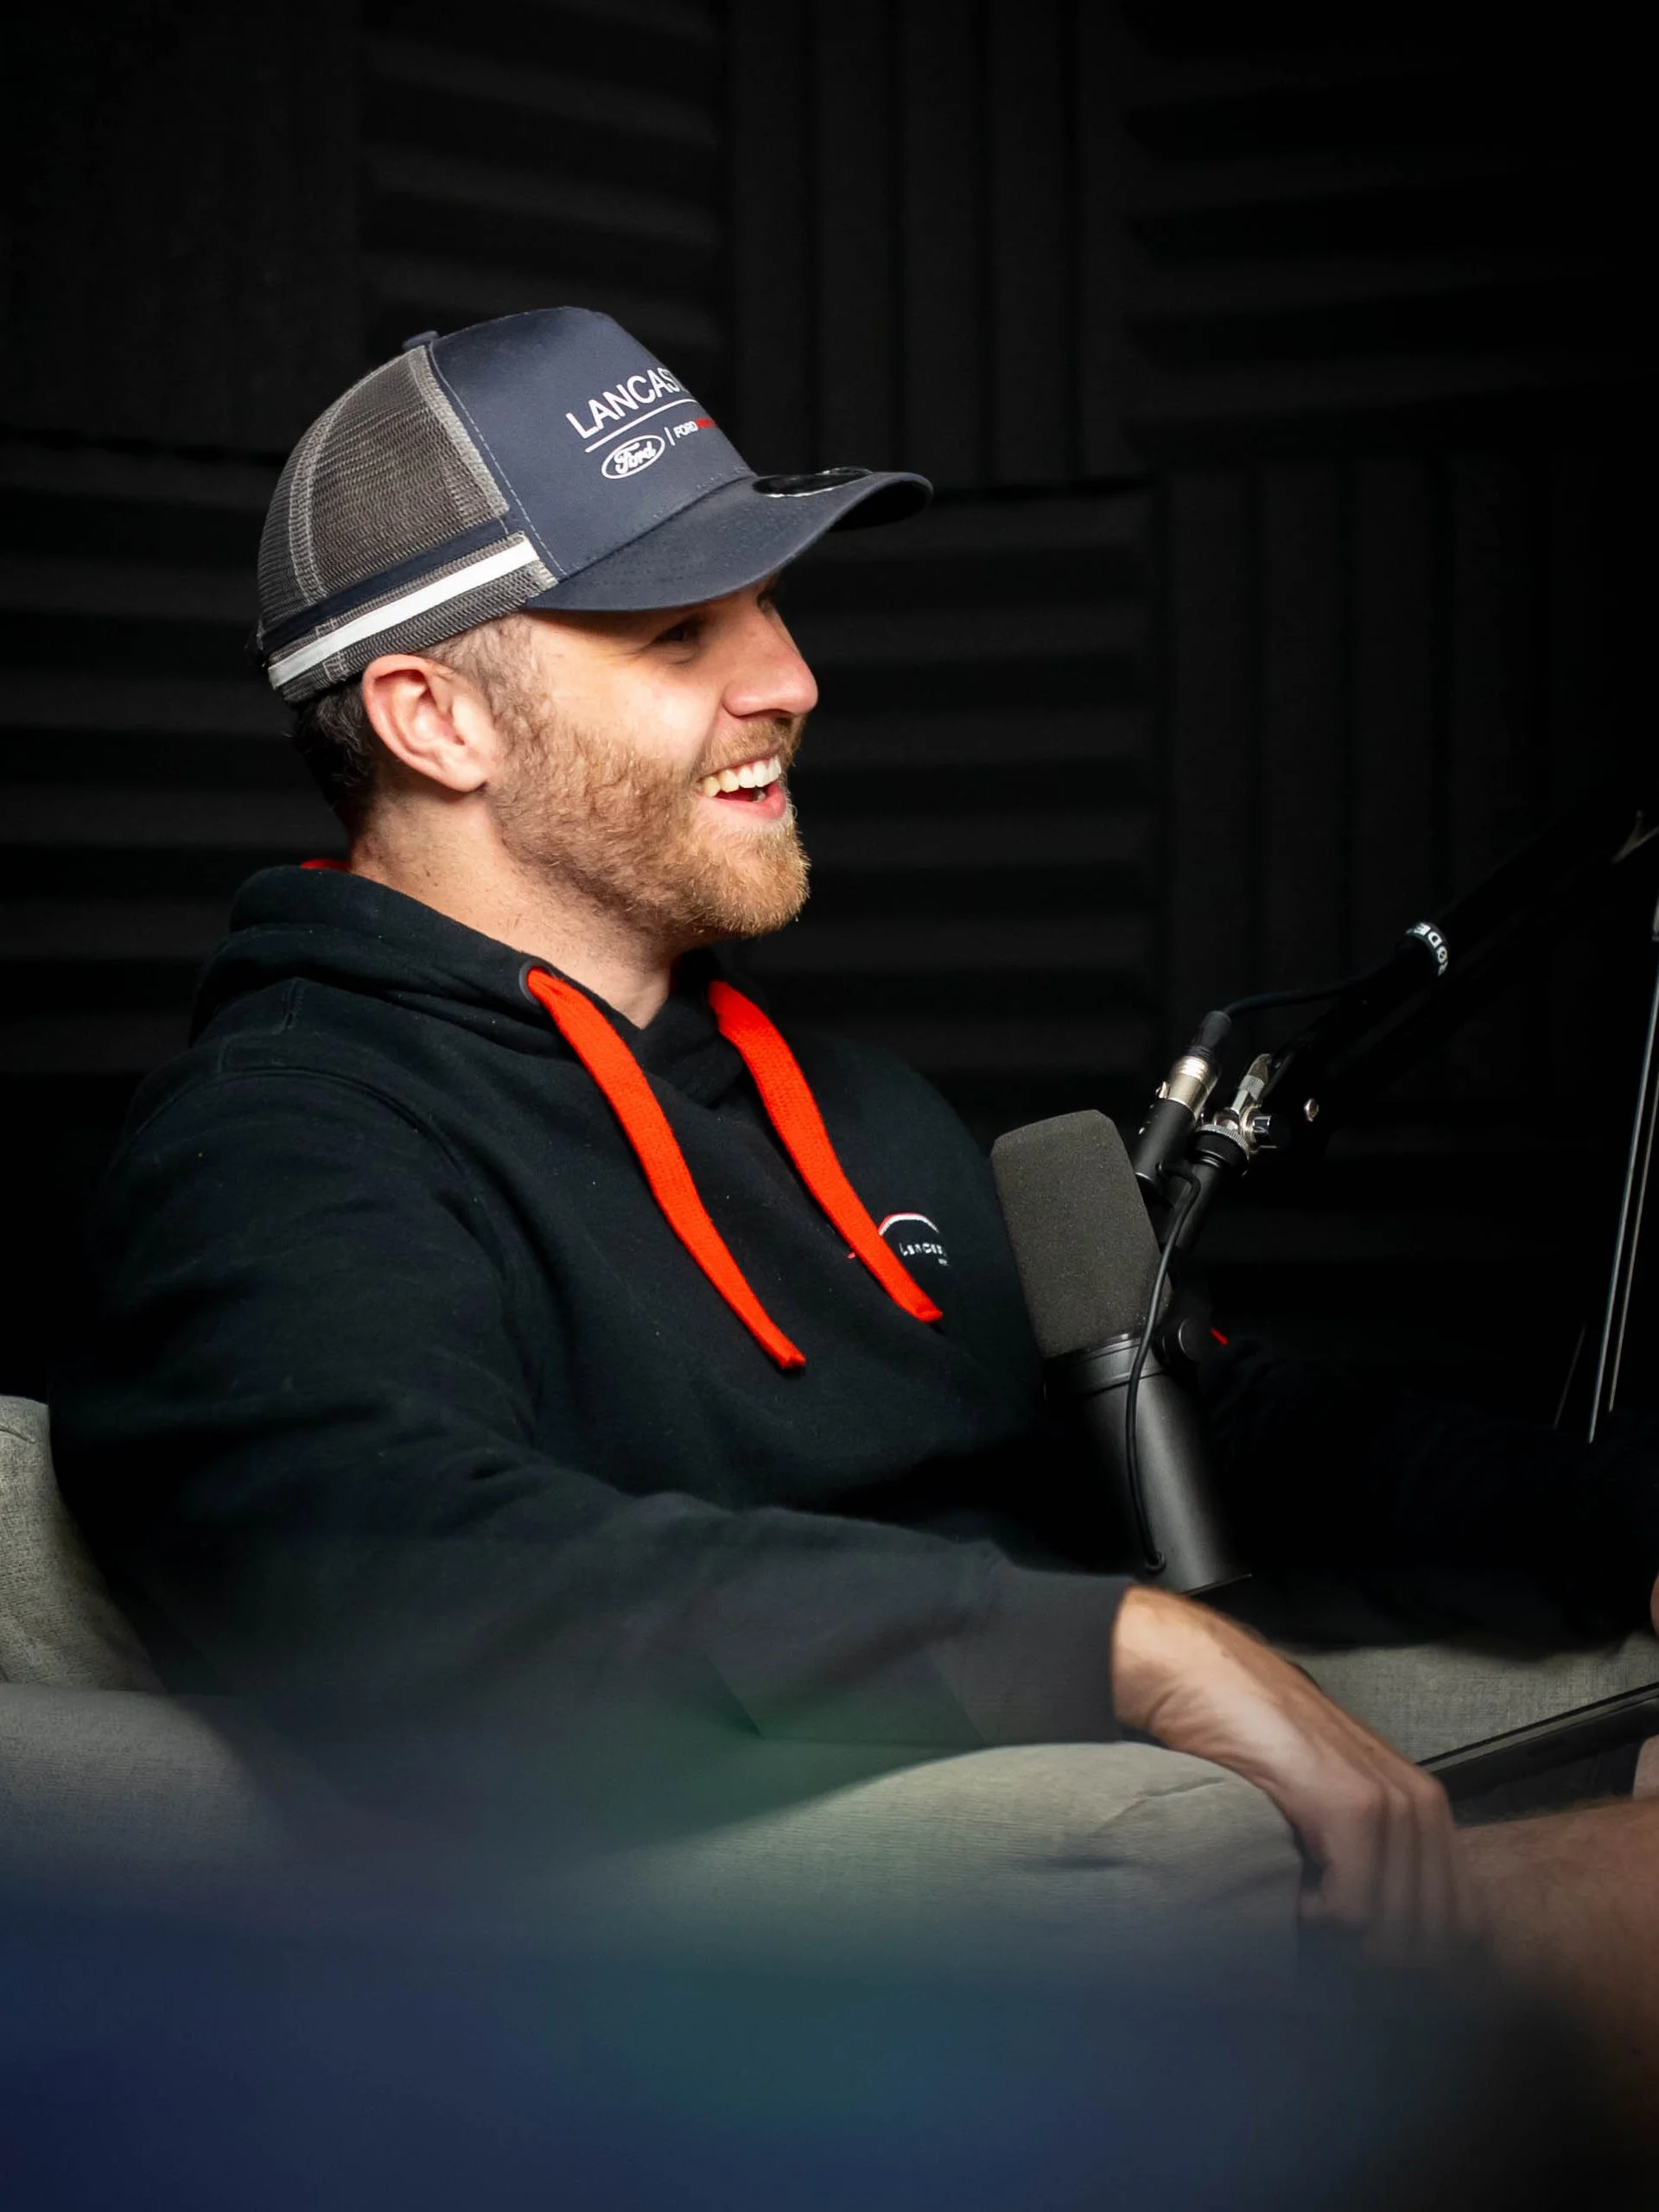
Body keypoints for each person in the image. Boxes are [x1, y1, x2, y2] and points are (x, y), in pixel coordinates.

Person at [49, 310, 1659, 2039]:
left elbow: (1210, 1417)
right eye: (681, 629)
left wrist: (1624, 1533)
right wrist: (1120, 1645)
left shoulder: (856, 1104)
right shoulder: (290, 1137)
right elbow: (389, 1569)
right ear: (436, 716)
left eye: (768, 603)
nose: (790, 677)